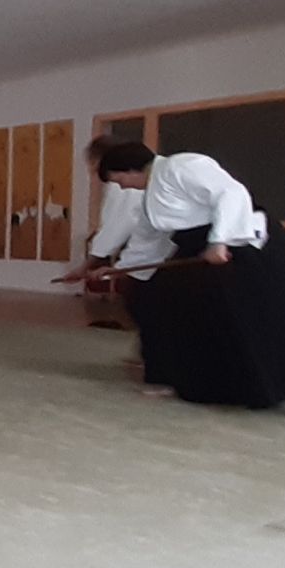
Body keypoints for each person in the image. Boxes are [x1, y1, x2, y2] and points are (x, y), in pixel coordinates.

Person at [96, 142, 285, 434]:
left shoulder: (182, 166)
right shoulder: (150, 200)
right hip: (212, 255)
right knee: (169, 305)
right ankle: (180, 378)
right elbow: (146, 243)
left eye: (120, 180)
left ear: (130, 168)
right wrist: (115, 270)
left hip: (250, 247)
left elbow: (231, 193)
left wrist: (219, 239)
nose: (123, 187)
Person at [57, 135, 176, 385]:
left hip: (167, 251)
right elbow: (138, 229)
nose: (92, 171)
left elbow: (118, 224)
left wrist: (92, 263)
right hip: (158, 249)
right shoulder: (145, 181)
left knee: (145, 303)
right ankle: (151, 356)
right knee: (147, 303)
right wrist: (114, 266)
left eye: (92, 164)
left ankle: (158, 363)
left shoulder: (125, 183)